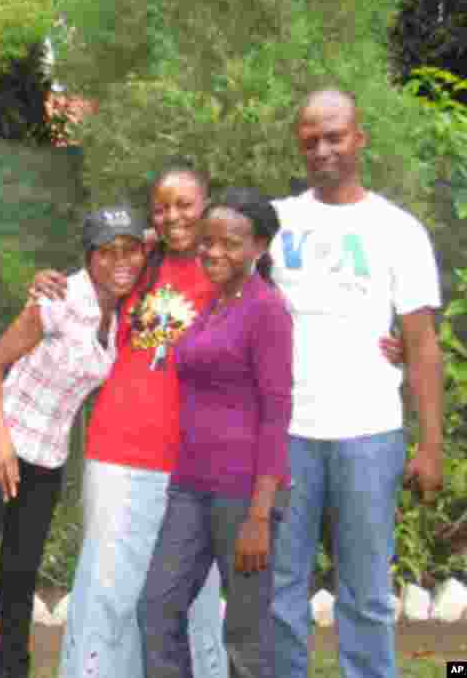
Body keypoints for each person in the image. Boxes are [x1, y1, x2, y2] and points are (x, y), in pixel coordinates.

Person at [0, 206, 150, 678]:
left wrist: (148, 238)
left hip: (48, 457)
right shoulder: (61, 298)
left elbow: (160, 236)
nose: (121, 261)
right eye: (108, 252)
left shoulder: (126, 306)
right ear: (89, 257)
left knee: (20, 575)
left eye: (131, 250)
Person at [270, 89, 444, 678]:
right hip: (286, 436)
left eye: (334, 136)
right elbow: (203, 263)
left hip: (370, 434)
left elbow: (421, 344)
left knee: (366, 594)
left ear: (359, 140)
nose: (322, 148)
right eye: (311, 138)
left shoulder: (398, 230)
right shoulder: (276, 221)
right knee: (280, 594)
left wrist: (431, 445)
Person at [31, 168, 228, 678]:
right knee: (108, 589)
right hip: (119, 450)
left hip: (194, 462)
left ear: (207, 205)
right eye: (162, 207)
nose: (172, 216)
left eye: (185, 205)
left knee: (192, 594)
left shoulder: (227, 269)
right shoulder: (138, 263)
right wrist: (46, 281)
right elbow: (82, 283)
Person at [139, 188, 293, 678]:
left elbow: (276, 412)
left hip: (244, 494)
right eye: (208, 242)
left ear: (259, 247)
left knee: (246, 636)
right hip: (190, 487)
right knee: (156, 611)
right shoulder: (214, 304)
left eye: (230, 243)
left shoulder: (266, 309)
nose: (214, 252)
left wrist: (259, 516)